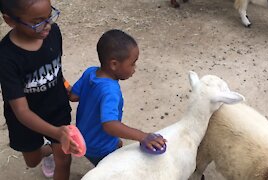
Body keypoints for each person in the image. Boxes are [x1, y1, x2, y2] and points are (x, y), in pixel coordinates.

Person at [0, 0, 79, 179]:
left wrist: (67, 87)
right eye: (37, 22)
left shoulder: (53, 33)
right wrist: (56, 133)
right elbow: (21, 111)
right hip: (25, 120)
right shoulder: (6, 58)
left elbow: (56, 69)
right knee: (32, 161)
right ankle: (49, 149)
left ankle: (56, 148)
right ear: (10, 21)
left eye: (49, 16)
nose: (47, 25)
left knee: (64, 160)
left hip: (56, 108)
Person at [68, 29, 167, 166]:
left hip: (83, 137)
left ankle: (114, 143)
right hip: (100, 147)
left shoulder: (90, 72)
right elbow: (110, 125)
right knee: (111, 170)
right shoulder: (110, 91)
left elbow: (73, 95)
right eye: (132, 63)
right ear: (114, 64)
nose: (135, 68)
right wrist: (143, 136)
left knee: (117, 144)